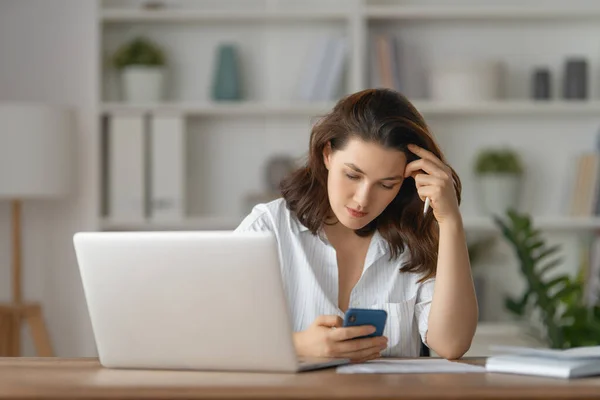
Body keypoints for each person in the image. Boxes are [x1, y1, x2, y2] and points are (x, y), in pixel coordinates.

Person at [235, 88, 478, 362]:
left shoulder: (415, 236)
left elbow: (451, 344)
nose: (363, 200)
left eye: (387, 184)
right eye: (352, 175)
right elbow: (214, 338)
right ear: (327, 153)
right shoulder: (269, 228)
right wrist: (297, 346)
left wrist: (450, 221)